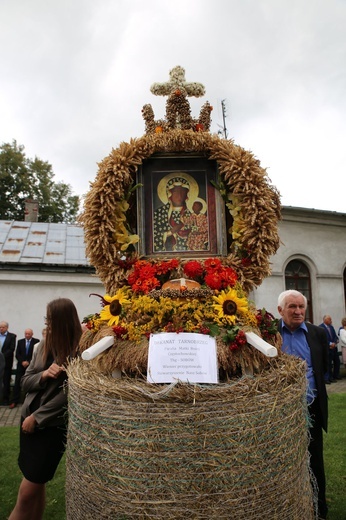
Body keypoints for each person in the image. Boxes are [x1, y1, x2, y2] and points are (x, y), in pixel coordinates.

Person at [9, 298, 82, 520]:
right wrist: (43, 375)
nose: (47, 323)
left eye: (50, 319)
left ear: (62, 321)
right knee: (36, 485)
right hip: (27, 421)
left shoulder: (80, 351)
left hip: (50, 428)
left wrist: (37, 417)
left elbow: (69, 394)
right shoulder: (43, 346)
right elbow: (25, 381)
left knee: (26, 493)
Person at [277, 290, 329, 520]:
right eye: (291, 307)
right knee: (282, 459)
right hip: (279, 413)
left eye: (301, 307)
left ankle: (319, 509)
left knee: (314, 458)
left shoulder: (317, 333)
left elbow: (322, 367)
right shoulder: (270, 335)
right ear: (280, 310)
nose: (298, 311)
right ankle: (285, 507)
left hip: (311, 408)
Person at [153, 176, 192, 252]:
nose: (179, 196)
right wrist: (170, 232)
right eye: (176, 192)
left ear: (186, 195)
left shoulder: (189, 214)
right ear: (169, 194)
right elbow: (154, 235)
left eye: (182, 192)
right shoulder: (160, 213)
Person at [10, 329, 40, 409]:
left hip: (30, 366)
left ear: (32, 334)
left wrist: (29, 362)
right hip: (21, 365)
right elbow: (17, 354)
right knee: (17, 383)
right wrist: (22, 361)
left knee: (29, 383)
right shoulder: (20, 342)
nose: (27, 335)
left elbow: (36, 353)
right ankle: (14, 401)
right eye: (26, 334)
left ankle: (27, 401)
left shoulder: (36, 341)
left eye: (29, 334)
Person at [319, 314, 340, 383]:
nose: (331, 321)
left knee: (337, 362)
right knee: (328, 364)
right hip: (327, 349)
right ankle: (326, 378)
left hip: (334, 349)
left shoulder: (331, 327)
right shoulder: (320, 327)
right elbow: (322, 339)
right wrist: (330, 344)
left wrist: (335, 342)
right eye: (329, 319)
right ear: (325, 320)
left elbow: (335, 336)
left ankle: (332, 377)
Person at [0, 321, 17, 406]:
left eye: (2, 327)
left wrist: (1, 356)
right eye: (0, 327)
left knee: (6, 380)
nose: (1, 329)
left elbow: (11, 349)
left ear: (6, 328)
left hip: (6, 362)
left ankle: (5, 399)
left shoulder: (12, 336)